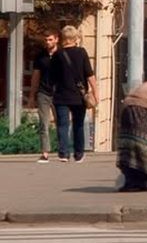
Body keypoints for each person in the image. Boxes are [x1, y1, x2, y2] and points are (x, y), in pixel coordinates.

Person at [50, 25, 97, 163]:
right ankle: (79, 154)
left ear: (63, 38)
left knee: (63, 125)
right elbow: (90, 75)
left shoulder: (58, 55)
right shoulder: (82, 52)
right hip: (79, 96)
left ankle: (64, 154)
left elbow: (52, 77)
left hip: (61, 95)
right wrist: (95, 92)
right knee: (78, 124)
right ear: (75, 38)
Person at [29, 30, 60, 164]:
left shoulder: (62, 55)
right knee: (44, 124)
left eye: (50, 40)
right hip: (43, 93)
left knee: (61, 123)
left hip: (59, 93)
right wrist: (32, 95)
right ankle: (45, 153)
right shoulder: (41, 56)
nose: (47, 42)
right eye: (46, 40)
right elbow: (35, 76)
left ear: (56, 39)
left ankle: (63, 150)